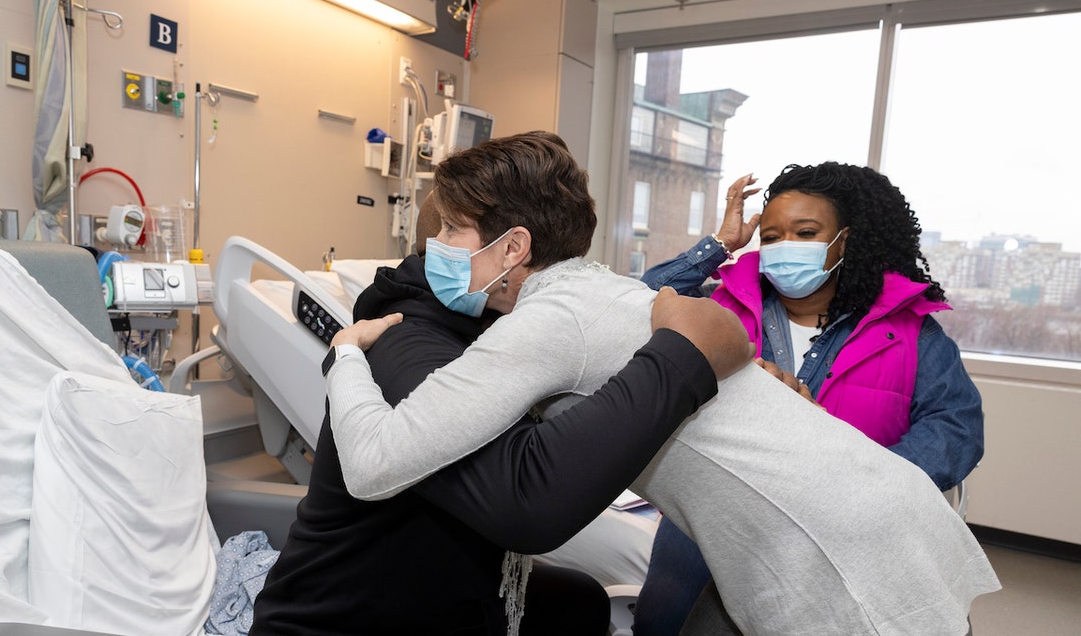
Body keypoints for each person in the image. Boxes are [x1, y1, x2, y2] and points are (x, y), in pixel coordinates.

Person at [326, 132, 999, 634]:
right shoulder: (598, 291)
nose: (433, 246)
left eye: (449, 227)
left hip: (834, 543)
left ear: (514, 248)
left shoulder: (549, 321)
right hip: (880, 505)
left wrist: (348, 351)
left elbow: (374, 461)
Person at [248, 193, 753, 634]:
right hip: (343, 617)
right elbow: (521, 498)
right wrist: (681, 360)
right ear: (504, 251)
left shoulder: (493, 328)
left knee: (582, 601)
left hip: (441, 585)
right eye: (445, 229)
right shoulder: (408, 344)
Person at [632, 164, 986, 634]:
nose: (785, 248)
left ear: (844, 239)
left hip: (844, 535)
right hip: (717, 526)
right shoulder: (722, 309)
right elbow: (638, 303)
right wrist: (719, 245)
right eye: (773, 237)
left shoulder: (911, 332)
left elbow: (956, 427)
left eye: (805, 232)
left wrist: (864, 479)